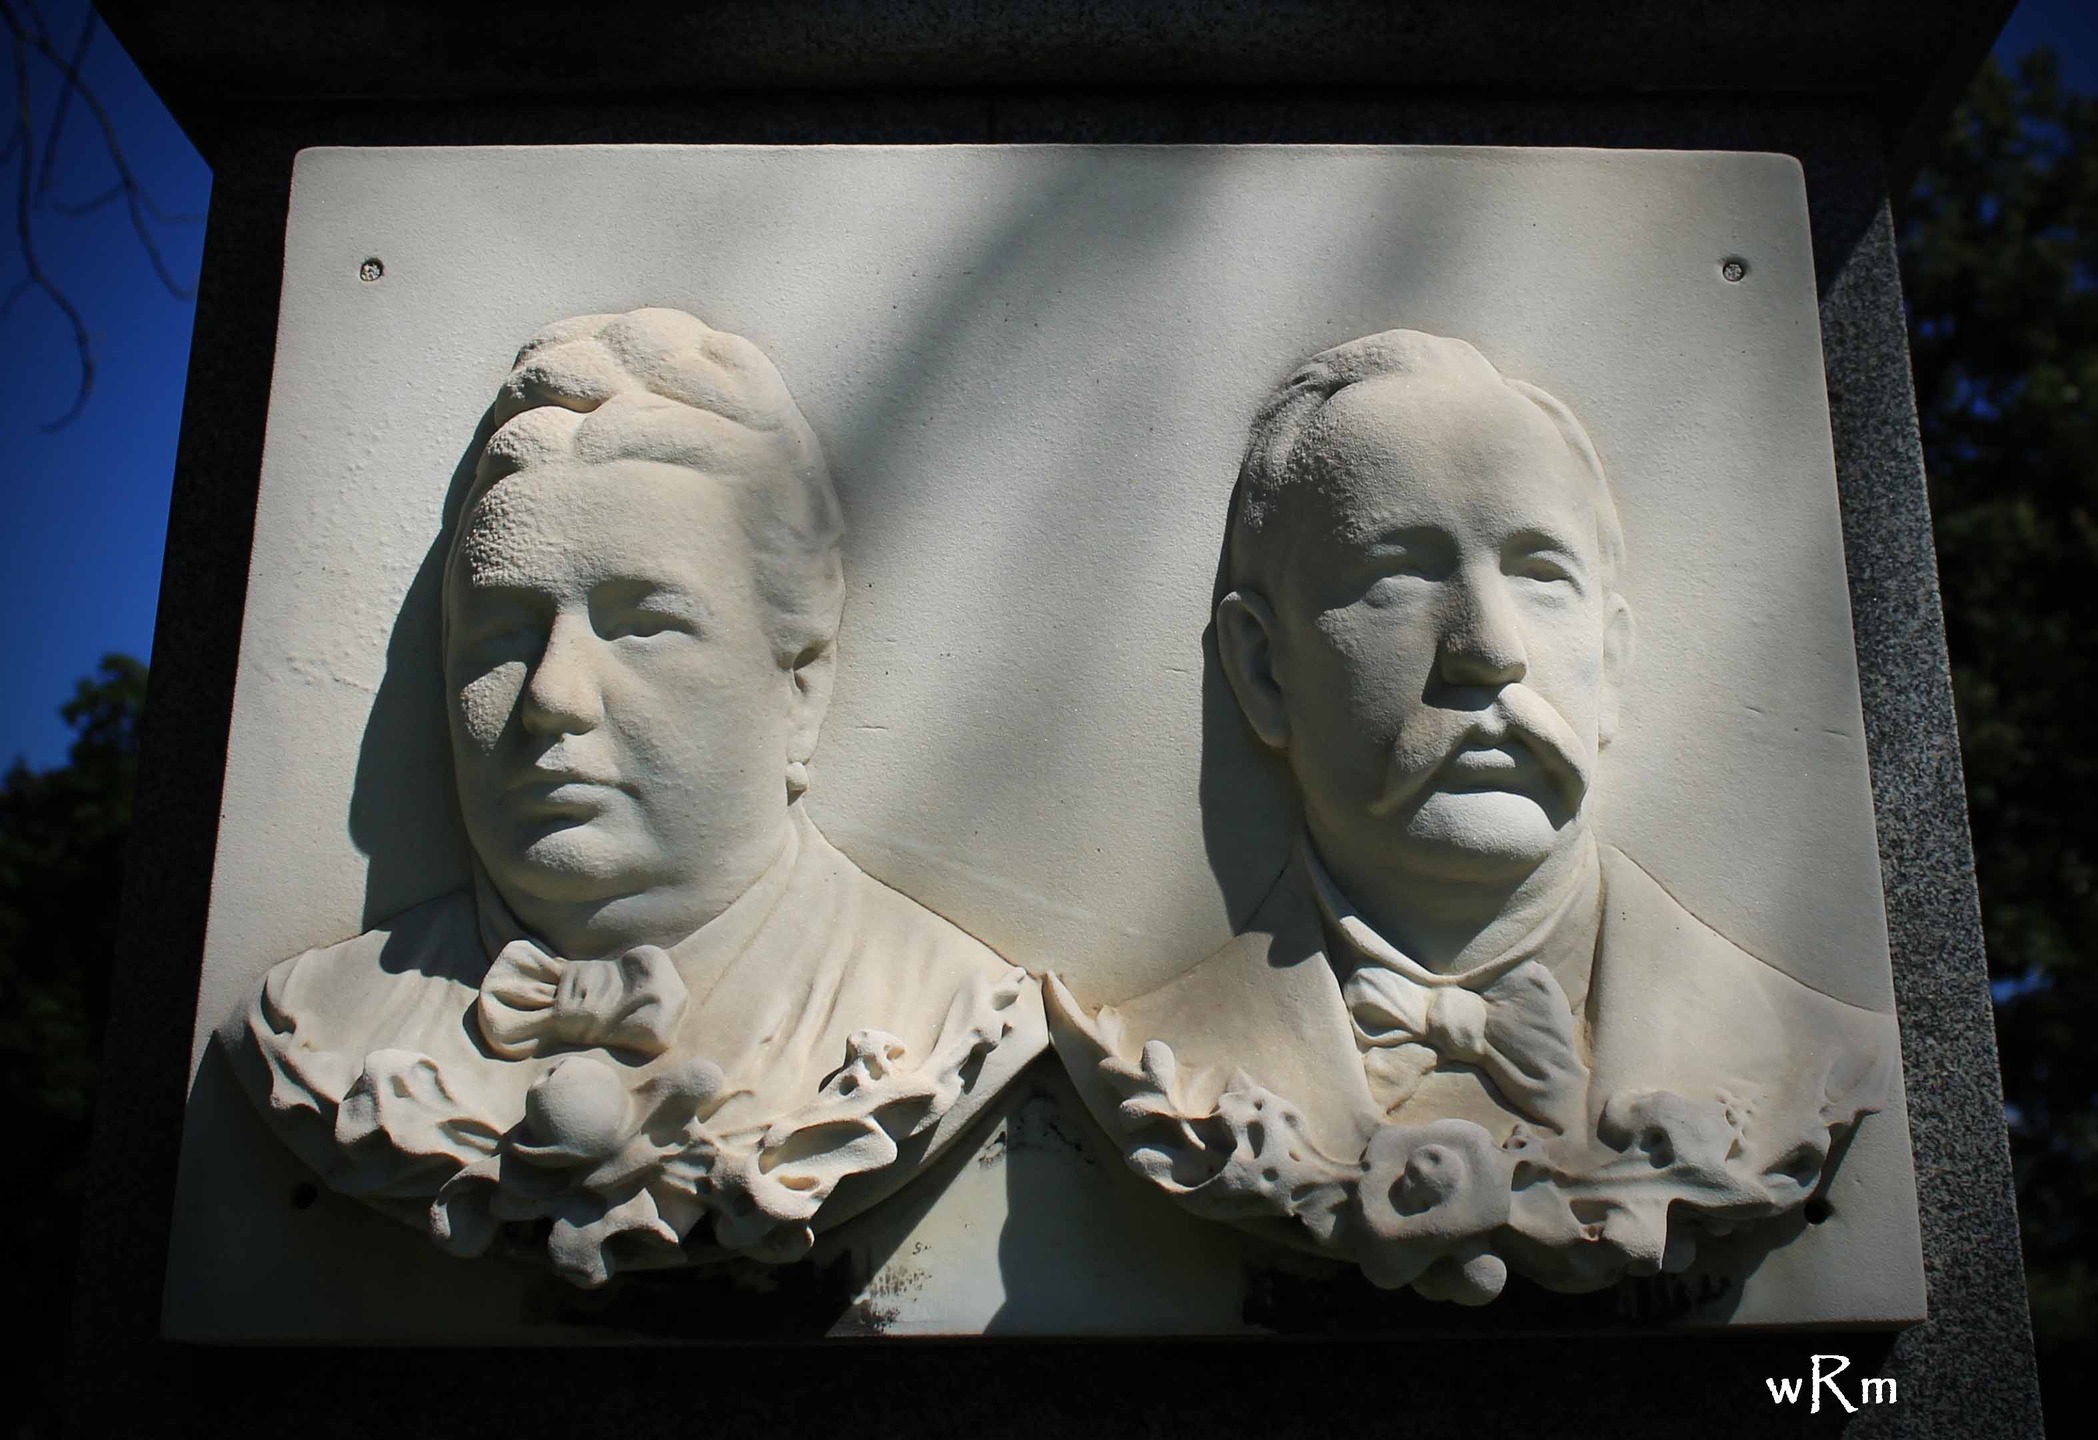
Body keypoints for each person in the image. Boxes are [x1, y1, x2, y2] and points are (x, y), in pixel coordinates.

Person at [1048, 329, 1897, 1304]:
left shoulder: (1812, 1053)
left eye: (1541, 572)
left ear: (1612, 663)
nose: (1490, 651)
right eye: (1392, 575)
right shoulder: (1157, 1056)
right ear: (1262, 667)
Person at [233, 308, 1044, 1288]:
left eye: (642, 627)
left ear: (799, 686)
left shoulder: (942, 1010)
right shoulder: (317, 1026)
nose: (551, 698)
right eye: (500, 636)